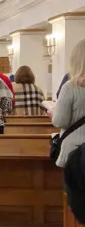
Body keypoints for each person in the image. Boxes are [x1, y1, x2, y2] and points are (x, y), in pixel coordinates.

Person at [50, 39, 85, 168]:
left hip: (75, 150)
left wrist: (53, 112)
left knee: (75, 187)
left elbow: (60, 121)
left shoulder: (71, 87)